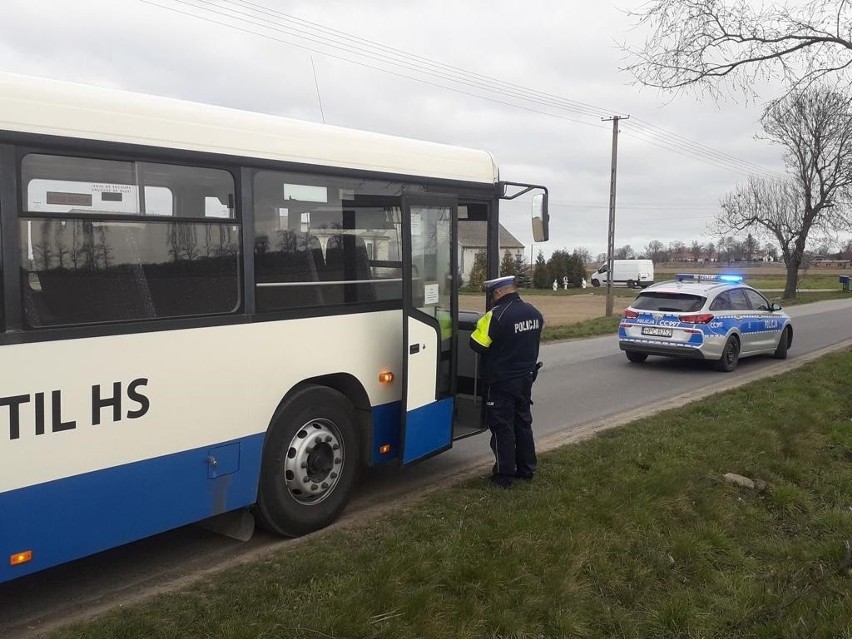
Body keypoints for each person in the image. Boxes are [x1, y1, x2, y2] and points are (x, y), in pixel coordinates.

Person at [469, 275, 544, 488]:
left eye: (493, 294)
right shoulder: (534, 312)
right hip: (525, 379)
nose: (493, 298)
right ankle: (527, 469)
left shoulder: (496, 315)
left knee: (502, 428)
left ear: (500, 292)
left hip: (501, 382)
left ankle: (504, 476)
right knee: (522, 424)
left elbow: (477, 345)